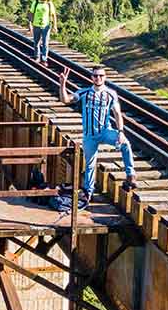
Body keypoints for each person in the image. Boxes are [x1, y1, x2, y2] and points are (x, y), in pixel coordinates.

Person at [59, 65, 137, 209]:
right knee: (90, 164)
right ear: (91, 77)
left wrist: (120, 131)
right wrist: (63, 84)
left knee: (125, 144)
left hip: (105, 131)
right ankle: (89, 192)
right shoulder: (85, 93)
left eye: (101, 75)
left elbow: (118, 114)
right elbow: (66, 100)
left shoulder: (111, 94)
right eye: (95, 75)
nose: (98, 78)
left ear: (105, 77)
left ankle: (130, 175)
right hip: (90, 135)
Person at [27, 0, 57, 64]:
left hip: (46, 26)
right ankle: (37, 57)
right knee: (36, 42)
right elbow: (31, 13)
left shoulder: (49, 3)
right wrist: (30, 24)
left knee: (45, 43)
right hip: (36, 25)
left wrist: (54, 26)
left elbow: (53, 15)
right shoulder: (36, 3)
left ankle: (44, 59)